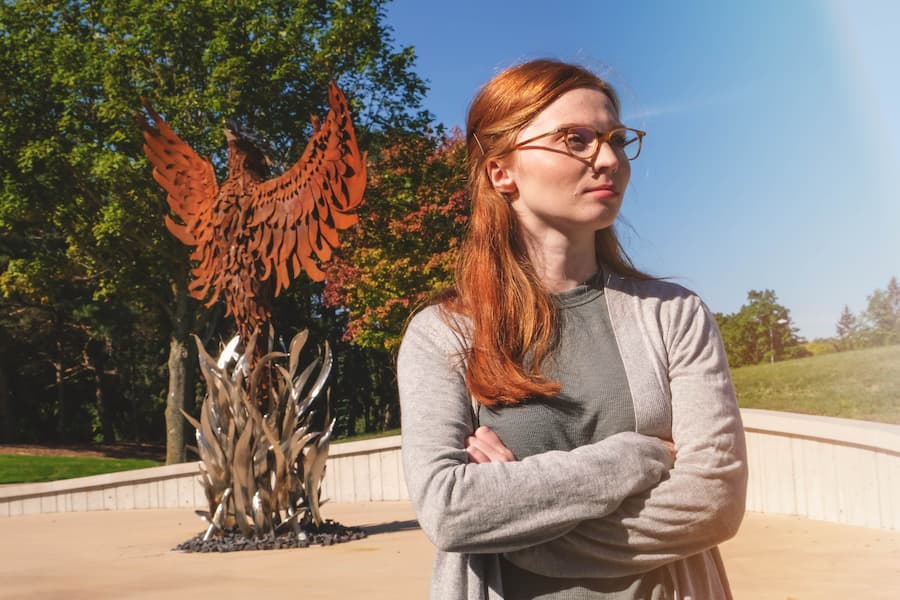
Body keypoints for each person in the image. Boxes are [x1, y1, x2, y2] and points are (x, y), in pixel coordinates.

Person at [398, 59, 747, 600]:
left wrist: (517, 530)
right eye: (576, 139)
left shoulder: (674, 314)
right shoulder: (442, 334)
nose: (608, 159)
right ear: (501, 172)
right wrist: (635, 457)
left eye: (615, 139)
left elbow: (714, 503)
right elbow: (450, 511)